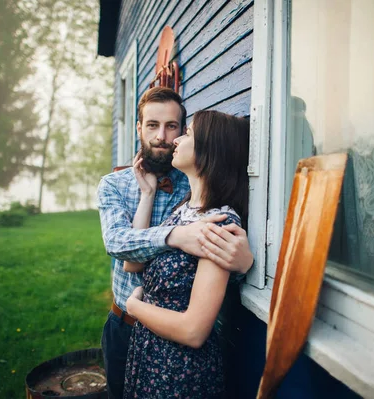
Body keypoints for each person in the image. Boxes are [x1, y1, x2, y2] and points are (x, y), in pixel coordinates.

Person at [96, 87, 253, 399]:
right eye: (152, 125)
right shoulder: (115, 184)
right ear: (139, 128)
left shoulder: (194, 185)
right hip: (126, 326)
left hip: (177, 353)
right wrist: (156, 208)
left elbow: (212, 263)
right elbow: (119, 245)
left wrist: (245, 265)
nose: (163, 137)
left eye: (173, 127)